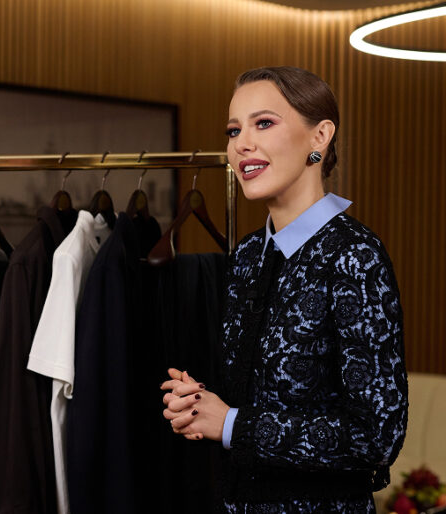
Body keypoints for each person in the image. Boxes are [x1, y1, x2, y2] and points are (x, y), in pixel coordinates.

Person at [160, 66, 407, 512]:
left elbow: (377, 437)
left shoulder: (355, 255)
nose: (241, 143)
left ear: (320, 136)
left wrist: (231, 424)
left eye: (263, 123)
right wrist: (197, 404)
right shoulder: (248, 255)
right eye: (234, 130)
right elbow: (254, 397)